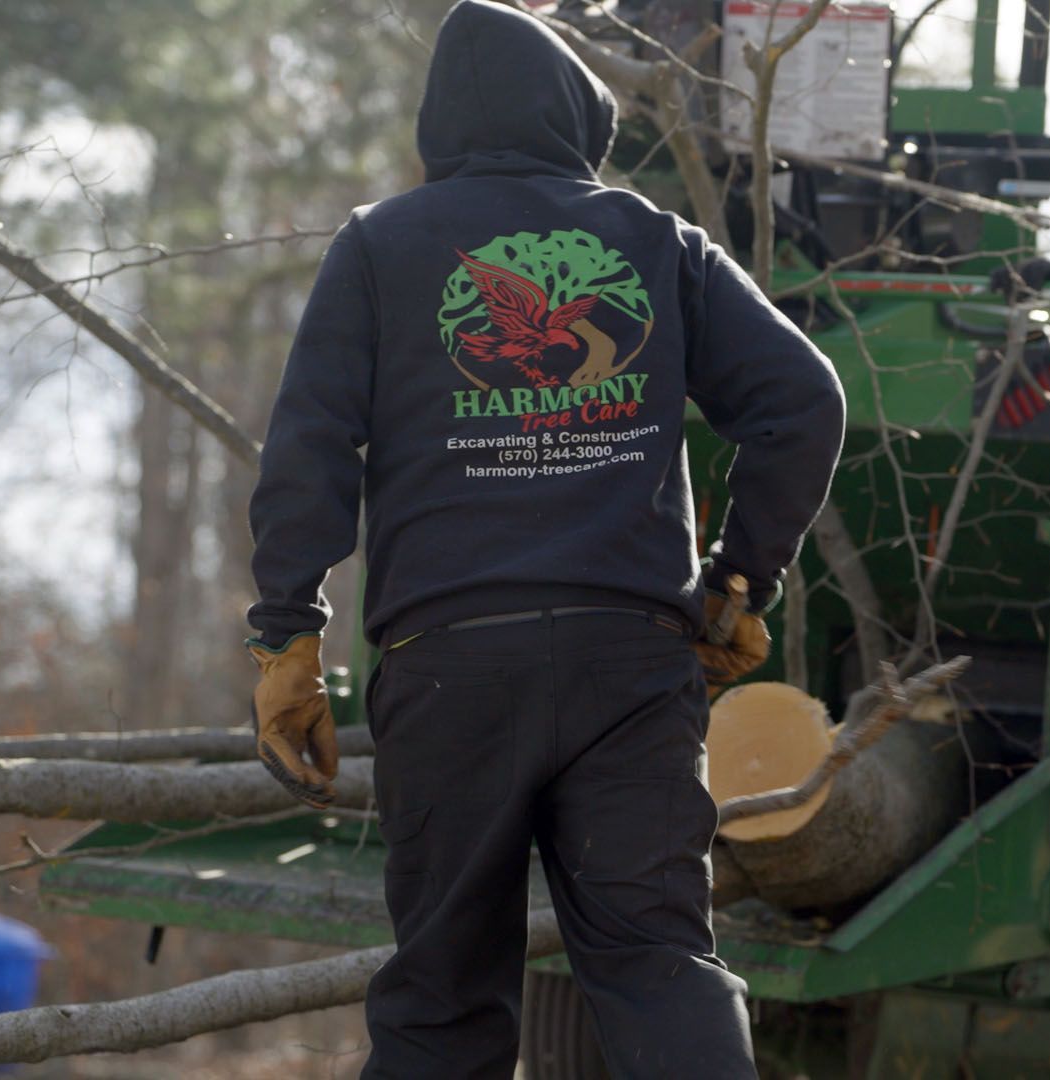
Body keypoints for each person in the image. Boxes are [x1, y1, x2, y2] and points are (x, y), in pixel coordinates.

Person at [242, 3, 845, 1076]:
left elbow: (309, 448)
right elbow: (804, 400)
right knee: (661, 968)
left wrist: (289, 636)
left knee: (440, 1001)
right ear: (578, 118)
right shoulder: (657, 241)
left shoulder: (380, 245)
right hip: (629, 667)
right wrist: (739, 584)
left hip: (447, 670)